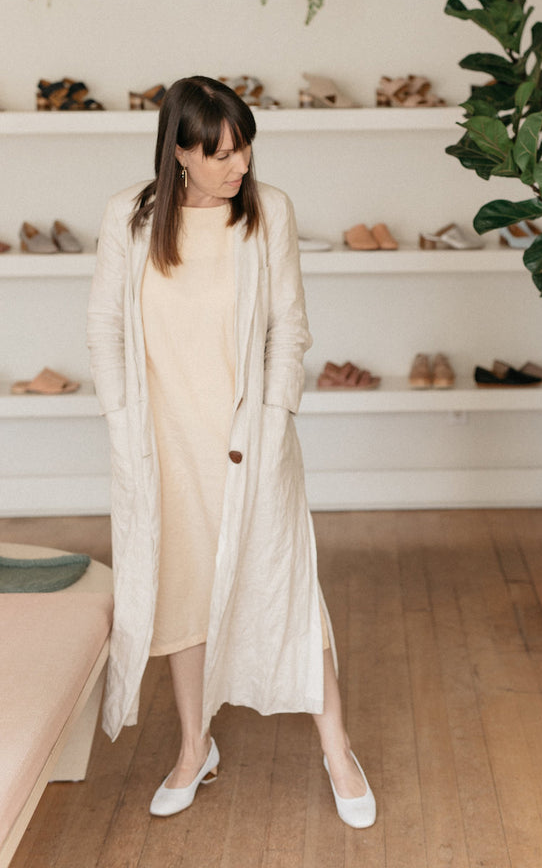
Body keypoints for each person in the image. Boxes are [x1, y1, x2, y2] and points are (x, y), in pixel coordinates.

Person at [86, 75, 375, 828]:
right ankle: (193, 747)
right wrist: (122, 423)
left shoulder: (267, 213)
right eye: (217, 153)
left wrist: (274, 420)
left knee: (285, 587)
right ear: (178, 153)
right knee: (183, 594)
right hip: (163, 444)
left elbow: (290, 329)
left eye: (243, 145)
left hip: (248, 441)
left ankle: (337, 749)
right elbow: (105, 331)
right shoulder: (128, 218)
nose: (237, 164)